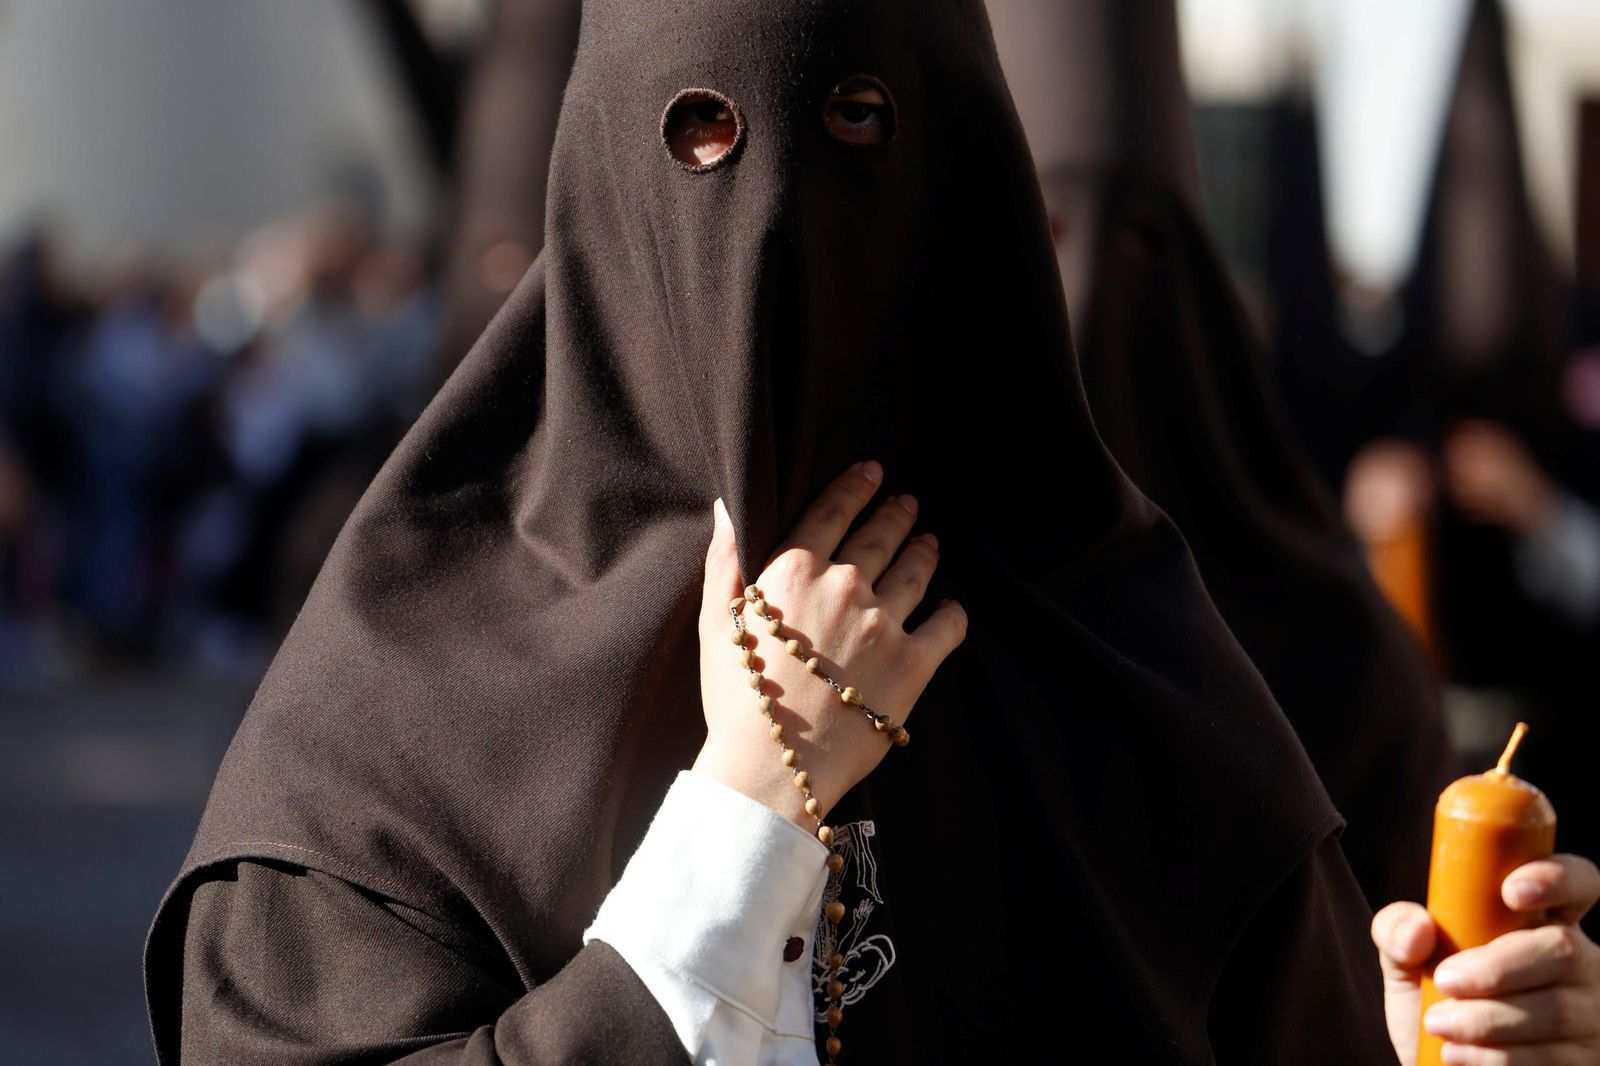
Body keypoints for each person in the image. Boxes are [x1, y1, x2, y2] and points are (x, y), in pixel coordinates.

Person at [143, 2, 1600, 1063]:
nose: (777, 222)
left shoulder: (1150, 702)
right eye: (698, 135)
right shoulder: (397, 713)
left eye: (859, 129)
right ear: (603, 194)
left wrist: (1463, 1050)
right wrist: (739, 824)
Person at [985, 0, 1456, 909]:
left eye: (1132, 242)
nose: (1081, 296)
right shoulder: (873, 631)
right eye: (1039, 244)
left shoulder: (1343, 651)